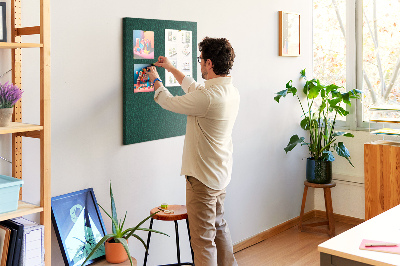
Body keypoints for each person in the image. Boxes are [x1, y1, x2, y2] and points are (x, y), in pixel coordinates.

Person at [144, 37, 239, 266]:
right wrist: (171, 68)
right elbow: (194, 87)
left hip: (202, 179)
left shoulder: (207, 98)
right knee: (219, 229)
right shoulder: (230, 92)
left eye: (200, 61)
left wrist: (156, 80)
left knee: (203, 241)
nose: (199, 65)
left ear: (209, 63)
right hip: (219, 175)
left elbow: (169, 102)